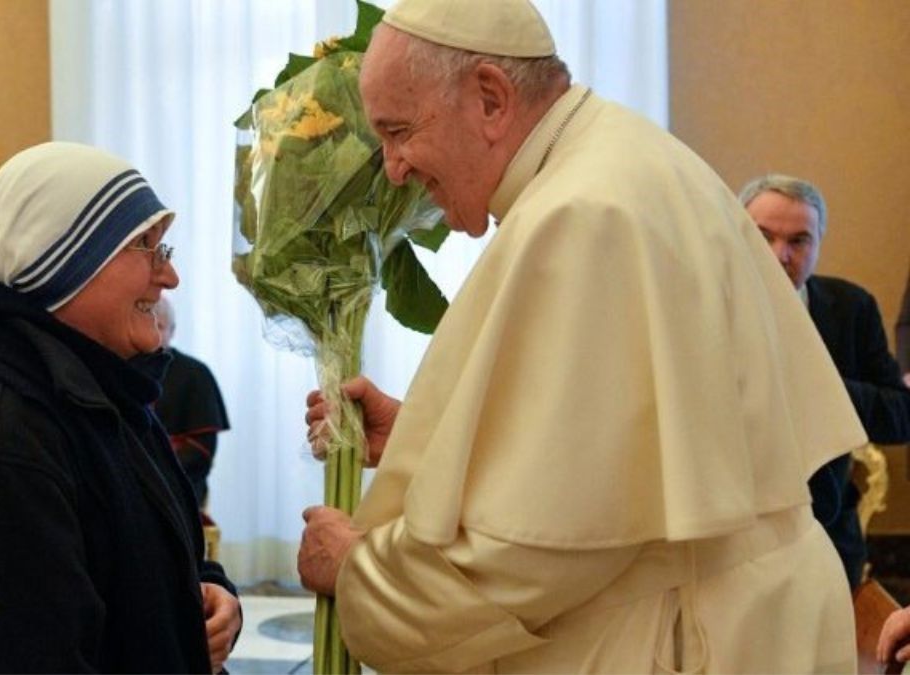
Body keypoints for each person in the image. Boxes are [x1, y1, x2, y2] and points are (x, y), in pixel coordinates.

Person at [297, 0, 868, 671]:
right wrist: (432, 439)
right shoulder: (615, 159)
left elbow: (531, 556)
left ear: (489, 97)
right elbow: (617, 454)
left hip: (699, 636)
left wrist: (362, 571)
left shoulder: (582, 212)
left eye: (399, 131)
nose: (393, 167)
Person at [0, 142, 242, 673]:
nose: (168, 277)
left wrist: (200, 592)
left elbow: (119, 561)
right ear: (65, 261)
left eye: (165, 251)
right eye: (145, 248)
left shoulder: (95, 394)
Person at [741, 174, 910, 589]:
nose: (780, 255)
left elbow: (899, 417)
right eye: (762, 237)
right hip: (735, 537)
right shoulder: (703, 306)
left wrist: (816, 386)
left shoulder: (851, 308)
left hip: (828, 534)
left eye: (799, 241)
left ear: (818, 244)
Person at [154, 295, 230, 508]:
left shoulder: (195, 374)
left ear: (172, 331)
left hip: (178, 484)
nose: (153, 333)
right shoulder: (123, 367)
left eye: (159, 326)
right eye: (147, 322)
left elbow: (201, 451)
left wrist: (154, 467)